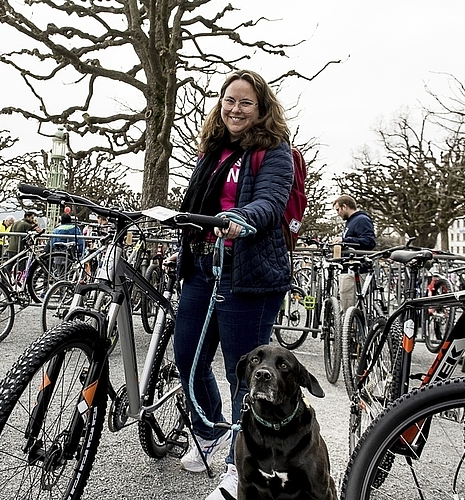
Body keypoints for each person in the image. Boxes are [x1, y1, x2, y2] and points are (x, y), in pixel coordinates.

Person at [173, 69, 294, 500]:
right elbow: (195, 202)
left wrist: (242, 219)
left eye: (245, 102)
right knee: (187, 358)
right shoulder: (215, 149)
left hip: (249, 274)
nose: (234, 109)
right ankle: (208, 432)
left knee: (243, 374)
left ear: (261, 108)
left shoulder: (274, 151)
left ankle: (238, 469)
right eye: (229, 100)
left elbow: (271, 201)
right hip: (203, 266)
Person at [332, 194, 376, 313]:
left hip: (356, 269)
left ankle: (351, 330)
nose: (338, 213)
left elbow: (370, 241)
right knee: (347, 303)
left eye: (338, 210)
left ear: (344, 206)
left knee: (350, 306)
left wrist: (345, 240)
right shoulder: (352, 221)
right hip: (349, 268)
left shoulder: (361, 220)